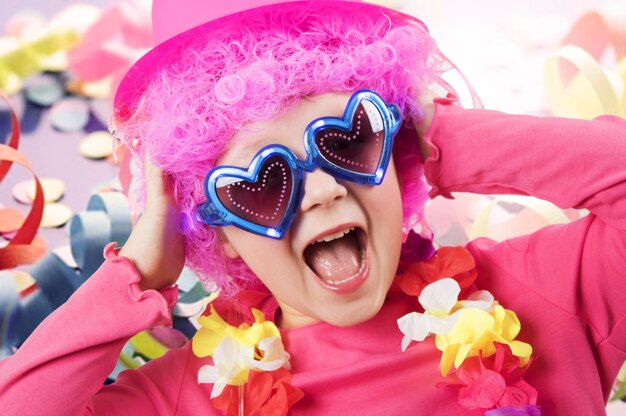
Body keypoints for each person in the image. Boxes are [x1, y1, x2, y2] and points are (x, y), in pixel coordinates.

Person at [1, 0, 625, 415]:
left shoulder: (540, 297)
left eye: (349, 139)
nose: (324, 190)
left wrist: (440, 141)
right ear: (213, 229)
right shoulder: (191, 396)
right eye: (260, 180)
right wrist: (134, 277)